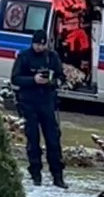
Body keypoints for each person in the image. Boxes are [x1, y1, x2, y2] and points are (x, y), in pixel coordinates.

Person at [11, 29, 67, 187]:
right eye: (37, 44)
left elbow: (61, 77)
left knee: (53, 140)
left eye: (42, 45)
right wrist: (33, 80)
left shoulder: (52, 57)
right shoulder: (24, 57)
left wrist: (52, 82)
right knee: (33, 140)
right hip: (29, 102)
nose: (39, 48)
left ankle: (58, 175)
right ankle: (36, 174)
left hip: (47, 102)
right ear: (32, 43)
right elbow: (15, 78)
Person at [51, 0, 91, 77]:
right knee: (70, 54)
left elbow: (83, 5)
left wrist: (75, 8)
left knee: (84, 48)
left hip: (78, 29)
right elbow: (60, 11)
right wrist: (73, 11)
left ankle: (81, 73)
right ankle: (69, 76)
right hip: (66, 32)